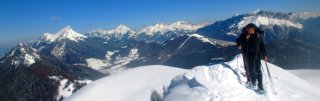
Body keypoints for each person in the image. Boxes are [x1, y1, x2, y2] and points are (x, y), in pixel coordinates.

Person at [236, 23, 268, 91]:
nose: (248, 30)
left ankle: (260, 85)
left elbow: (262, 46)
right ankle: (253, 83)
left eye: (250, 29)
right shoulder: (244, 35)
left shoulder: (258, 36)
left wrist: (265, 55)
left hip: (257, 55)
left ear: (253, 29)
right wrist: (245, 39)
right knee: (251, 70)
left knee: (258, 70)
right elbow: (240, 44)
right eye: (248, 29)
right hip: (248, 55)